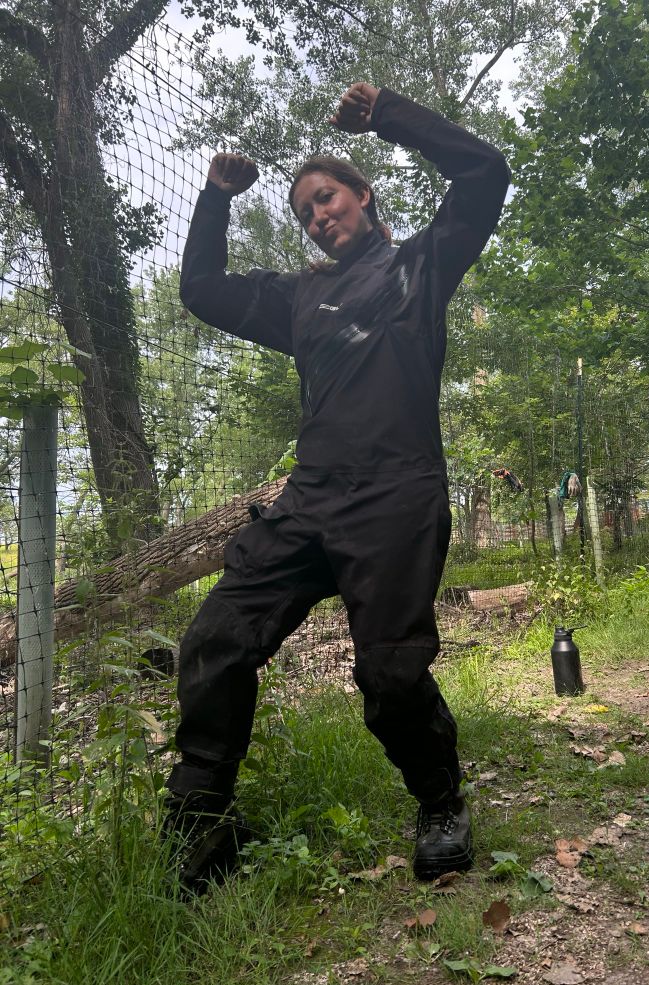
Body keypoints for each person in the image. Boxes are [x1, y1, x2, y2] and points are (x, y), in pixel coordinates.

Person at [166, 82, 510, 890]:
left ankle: (439, 802)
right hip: (310, 500)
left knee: (389, 676)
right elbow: (201, 291)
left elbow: (486, 172)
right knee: (214, 644)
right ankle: (204, 829)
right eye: (304, 212)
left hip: (397, 497)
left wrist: (388, 112)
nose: (318, 216)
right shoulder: (299, 297)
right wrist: (215, 198)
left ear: (363, 195)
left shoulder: (422, 265)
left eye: (326, 199)